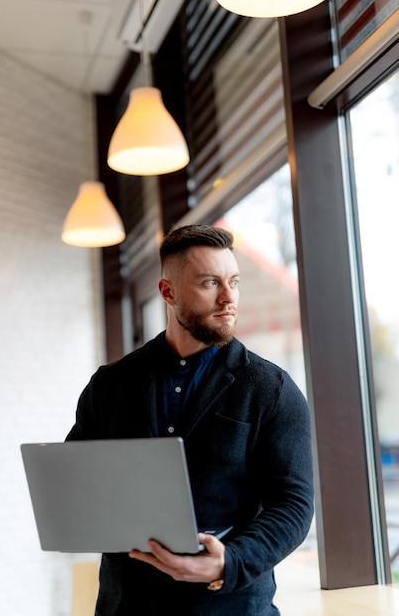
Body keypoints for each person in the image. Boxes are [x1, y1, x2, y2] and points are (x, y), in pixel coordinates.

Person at [66, 223, 314, 615]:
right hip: (127, 606)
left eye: (233, 281)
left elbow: (293, 504)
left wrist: (228, 562)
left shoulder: (273, 389)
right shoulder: (109, 385)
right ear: (169, 292)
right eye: (210, 283)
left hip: (229, 607)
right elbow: (75, 479)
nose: (229, 296)